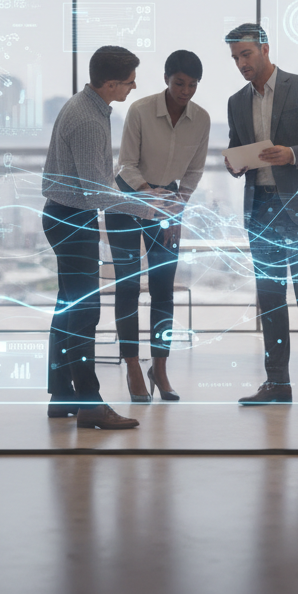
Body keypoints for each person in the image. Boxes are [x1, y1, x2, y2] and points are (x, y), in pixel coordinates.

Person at [41, 45, 179, 430]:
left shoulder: (88, 108)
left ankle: (63, 396)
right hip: (73, 220)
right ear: (112, 83)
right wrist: (148, 207)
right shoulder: (87, 120)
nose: (135, 87)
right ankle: (90, 404)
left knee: (68, 310)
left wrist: (141, 197)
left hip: (66, 217)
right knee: (84, 315)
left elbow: (97, 186)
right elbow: (97, 193)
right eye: (130, 80)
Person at [224, 22, 298, 416]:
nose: (242, 63)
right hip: (262, 211)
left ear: (265, 49)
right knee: (271, 303)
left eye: (247, 55)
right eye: (236, 58)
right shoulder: (236, 102)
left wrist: (293, 153)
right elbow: (234, 148)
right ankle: (277, 383)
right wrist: (233, 164)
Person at [106, 50, 211, 403]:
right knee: (128, 287)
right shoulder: (140, 110)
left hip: (167, 203)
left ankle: (160, 367)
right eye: (180, 83)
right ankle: (133, 364)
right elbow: (126, 165)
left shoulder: (202, 120)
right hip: (127, 200)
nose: (186, 91)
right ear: (167, 78)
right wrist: (149, 194)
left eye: (192, 85)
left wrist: (177, 205)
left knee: (164, 288)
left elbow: (194, 171)